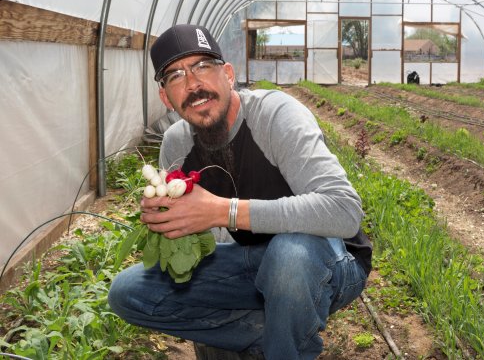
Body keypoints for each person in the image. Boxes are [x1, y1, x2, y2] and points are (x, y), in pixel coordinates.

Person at [108, 24, 372, 359]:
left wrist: (224, 210)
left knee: (289, 255)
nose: (193, 84)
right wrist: (168, 222)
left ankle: (284, 345)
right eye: (175, 76)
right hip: (249, 265)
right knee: (128, 291)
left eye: (202, 66)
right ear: (165, 97)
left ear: (228, 74)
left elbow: (344, 211)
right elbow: (202, 240)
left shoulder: (275, 115)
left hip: (328, 262)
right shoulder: (176, 143)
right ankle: (272, 333)